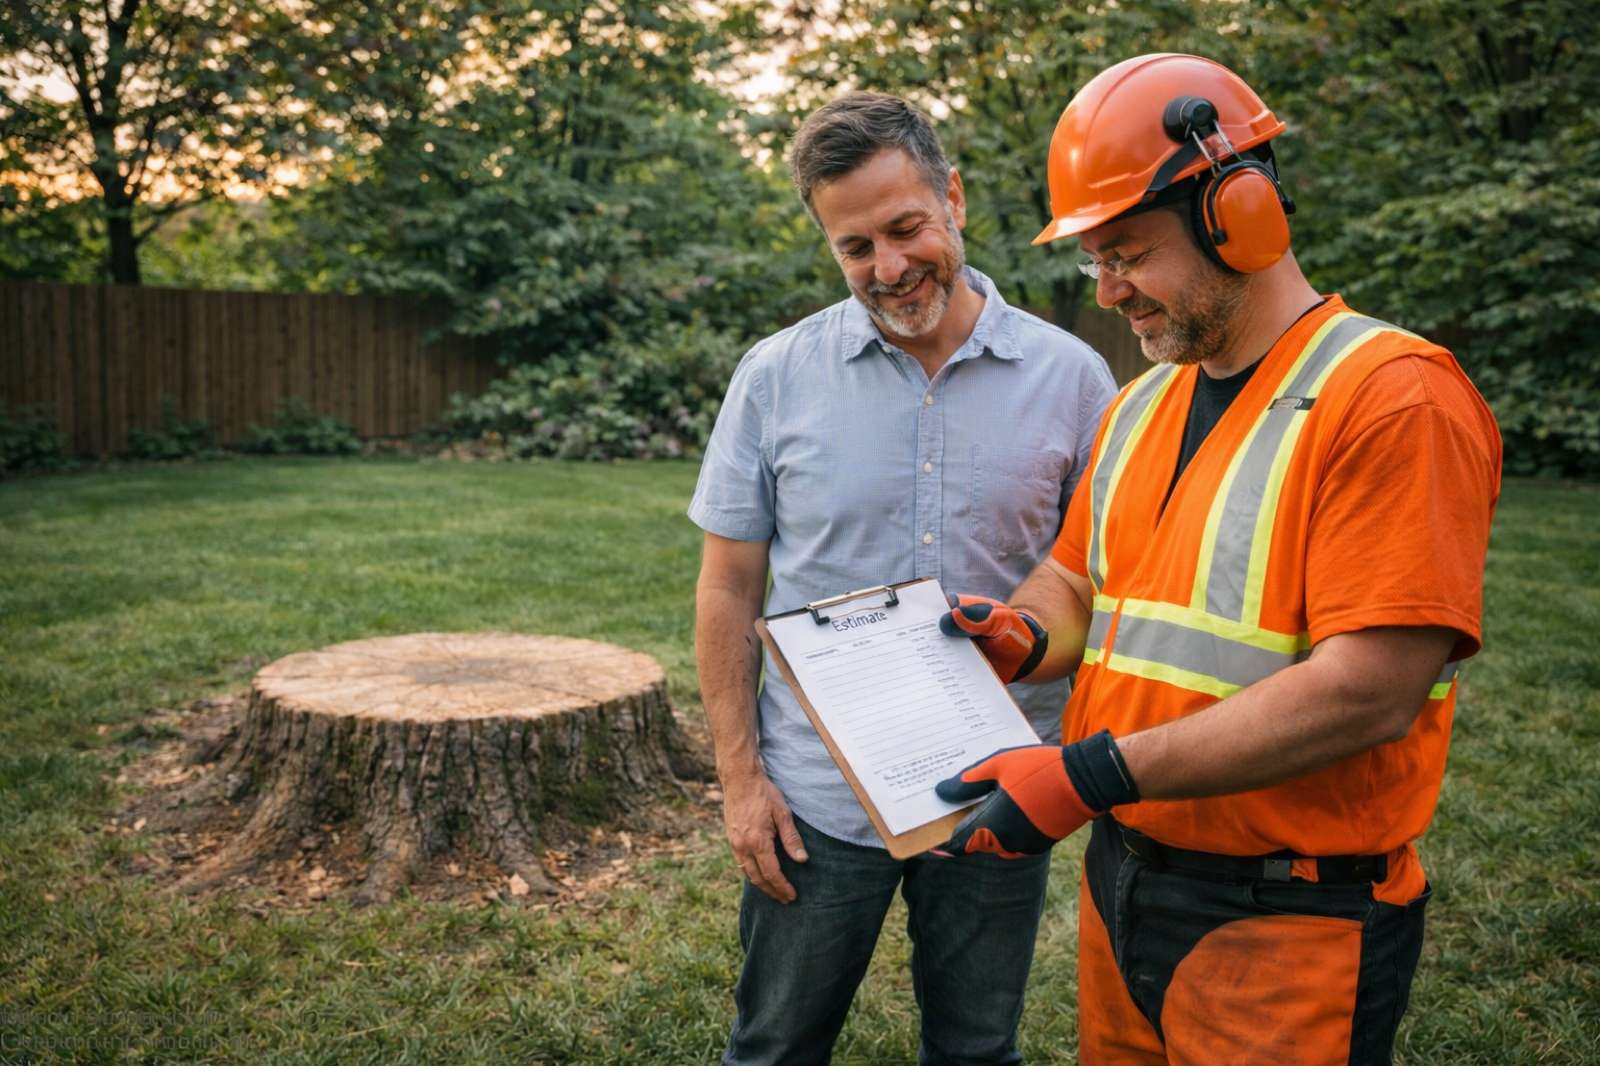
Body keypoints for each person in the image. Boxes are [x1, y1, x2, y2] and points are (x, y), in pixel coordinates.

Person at [934, 54, 1502, 1064]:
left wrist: (1087, 773)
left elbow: (1367, 691)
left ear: (1240, 212)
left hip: (1288, 918)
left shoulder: (1391, 396)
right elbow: (1077, 580)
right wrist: (1025, 633)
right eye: (1093, 260)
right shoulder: (1140, 402)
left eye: (1128, 254)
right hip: (1126, 879)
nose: (1109, 292)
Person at [689, 91, 1116, 1065]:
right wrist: (742, 780)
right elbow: (726, 589)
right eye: (853, 247)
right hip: (815, 799)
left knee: (975, 1050)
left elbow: (1098, 580)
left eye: (905, 227)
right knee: (774, 1048)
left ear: (954, 197)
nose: (886, 268)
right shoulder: (774, 375)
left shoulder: (1076, 379)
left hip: (999, 794)